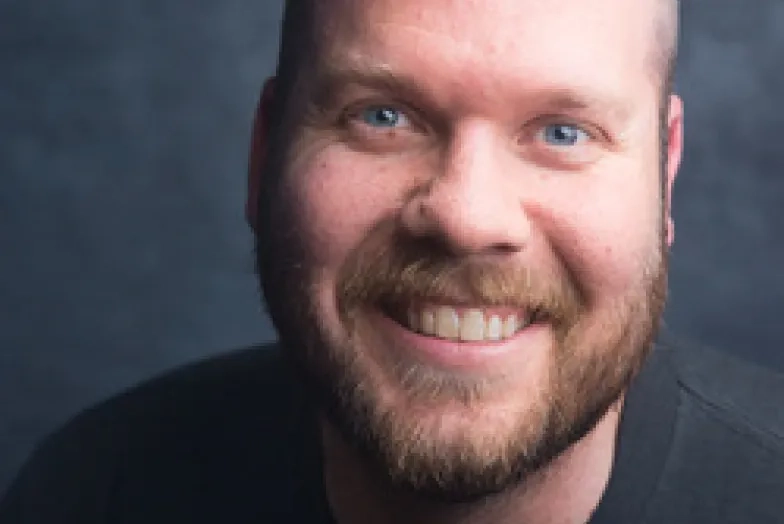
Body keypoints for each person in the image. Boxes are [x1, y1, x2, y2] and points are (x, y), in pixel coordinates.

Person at [3, 0, 784, 522]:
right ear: (265, 155)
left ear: (663, 171)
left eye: (563, 133)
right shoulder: (96, 489)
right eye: (382, 117)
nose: (465, 217)